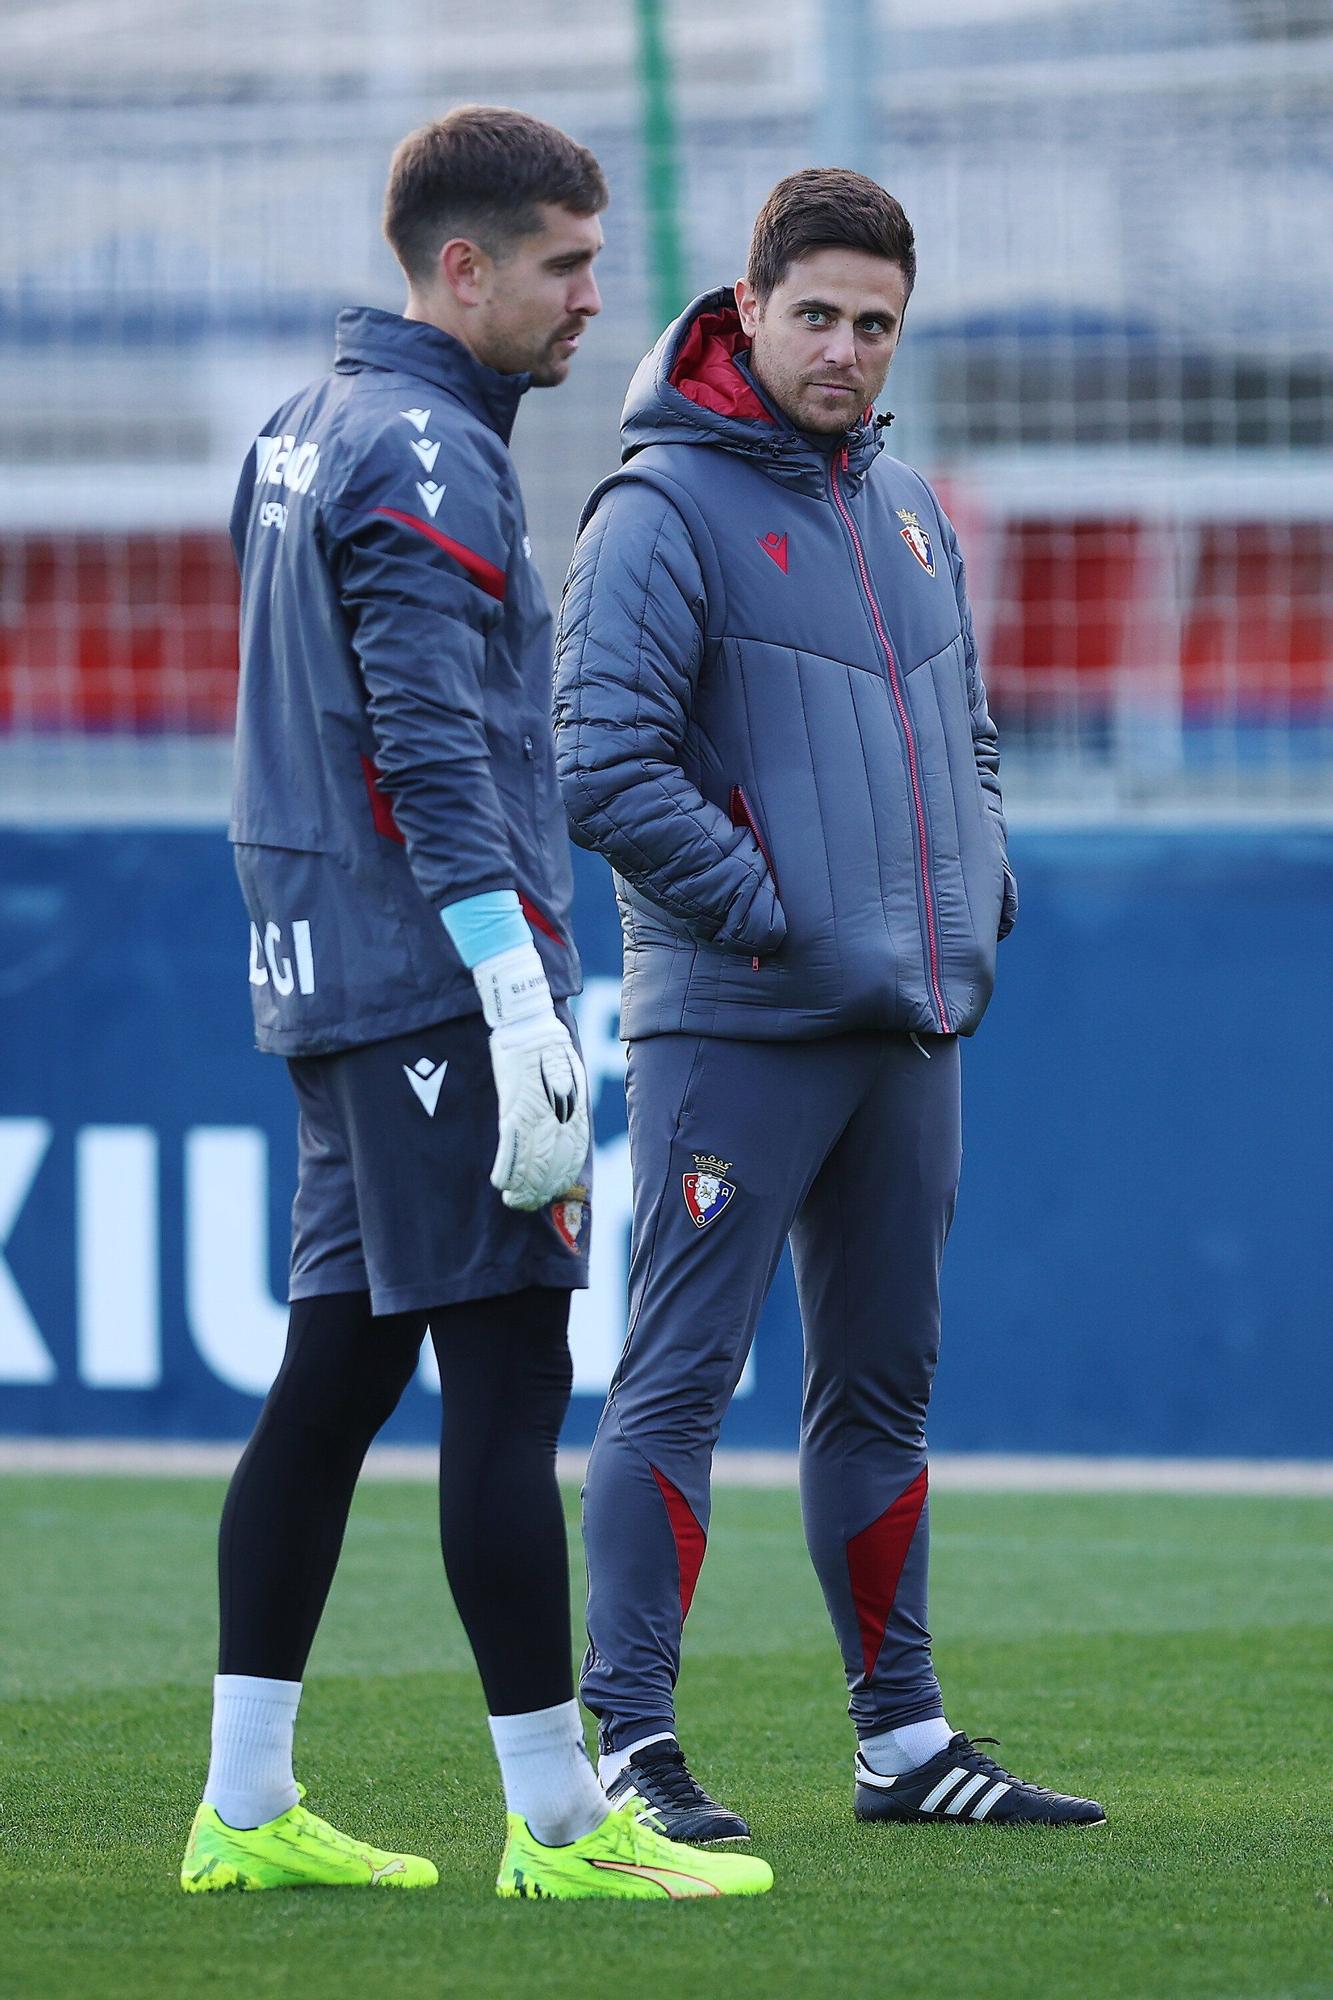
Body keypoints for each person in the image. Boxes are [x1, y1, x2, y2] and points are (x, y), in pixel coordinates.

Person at [179, 105, 772, 1905]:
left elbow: (298, 694)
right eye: (565, 264)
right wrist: (513, 992)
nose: (597, 297)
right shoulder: (430, 452)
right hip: (435, 983)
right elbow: (426, 748)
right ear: (464, 267)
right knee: (507, 1382)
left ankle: (244, 1804)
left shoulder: (301, 429)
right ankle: (563, 1827)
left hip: (328, 970)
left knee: (335, 1374)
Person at [555, 168, 1104, 1836]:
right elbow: (597, 762)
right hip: (739, 1029)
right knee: (674, 1383)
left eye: (876, 325)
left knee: (881, 1396)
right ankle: (629, 1749)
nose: (847, 351)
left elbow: (971, 738)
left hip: (908, 1028)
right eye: (819, 316)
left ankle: (902, 1744)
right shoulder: (656, 508)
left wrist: (976, 887)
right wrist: (770, 917)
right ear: (749, 306)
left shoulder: (909, 507)